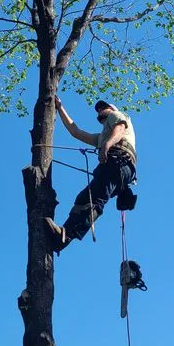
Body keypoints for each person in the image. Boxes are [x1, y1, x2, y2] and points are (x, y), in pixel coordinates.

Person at [44, 97, 137, 252]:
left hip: (119, 162)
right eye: (98, 109)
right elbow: (75, 132)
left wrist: (107, 146)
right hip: (117, 167)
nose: (100, 110)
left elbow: (119, 130)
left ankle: (64, 236)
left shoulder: (116, 115)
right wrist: (60, 108)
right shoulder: (101, 137)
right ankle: (63, 236)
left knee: (95, 200)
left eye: (103, 107)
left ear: (112, 109)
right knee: (84, 198)